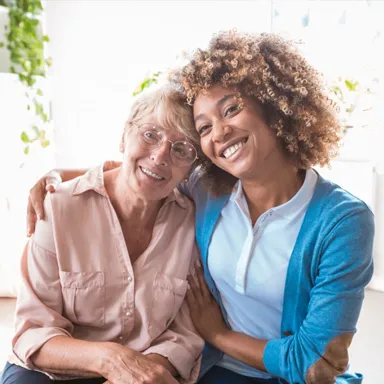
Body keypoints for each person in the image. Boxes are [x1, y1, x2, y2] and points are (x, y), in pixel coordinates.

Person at [24, 31, 374, 384]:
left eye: (232, 110)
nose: (219, 133)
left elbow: (315, 364)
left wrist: (217, 334)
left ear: (276, 108)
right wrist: (58, 176)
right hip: (211, 370)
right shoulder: (210, 191)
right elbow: (143, 171)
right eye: (205, 127)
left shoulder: (343, 221)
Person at [1, 84, 205, 384]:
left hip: (144, 368)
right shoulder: (57, 209)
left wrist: (143, 371)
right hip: (53, 370)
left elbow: (184, 333)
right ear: (124, 137)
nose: (161, 156)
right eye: (150, 134)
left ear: (190, 168)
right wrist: (112, 360)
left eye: (182, 149)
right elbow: (33, 331)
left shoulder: (191, 221)